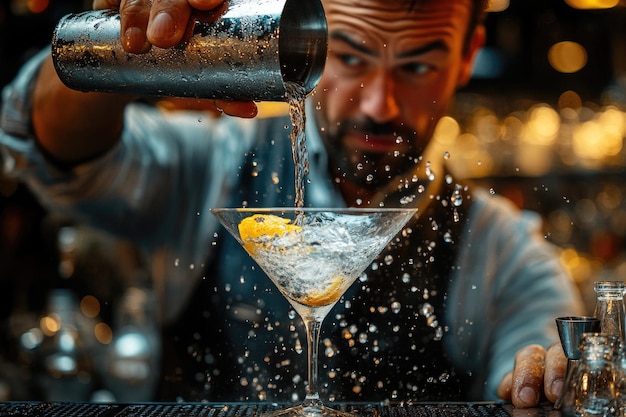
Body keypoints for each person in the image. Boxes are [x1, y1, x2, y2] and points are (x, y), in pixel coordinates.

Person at [0, 0, 584, 409]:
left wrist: (546, 377)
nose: (379, 104)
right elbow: (42, 142)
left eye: (417, 66)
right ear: (305, 41)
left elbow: (539, 361)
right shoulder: (212, 166)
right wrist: (127, 43)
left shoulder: (505, 252)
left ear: (466, 56)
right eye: (351, 57)